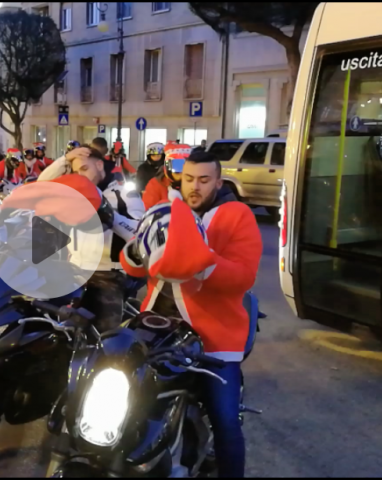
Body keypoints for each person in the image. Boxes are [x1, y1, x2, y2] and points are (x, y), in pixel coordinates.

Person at [120, 149, 262, 478]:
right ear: (178, 179)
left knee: (225, 421)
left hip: (214, 341)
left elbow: (243, 276)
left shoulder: (236, 215)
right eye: (188, 179)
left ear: (218, 181)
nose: (194, 187)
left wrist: (202, 262)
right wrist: (133, 250)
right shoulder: (167, 211)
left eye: (203, 180)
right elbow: (136, 267)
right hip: (156, 331)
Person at [49, 147, 144, 331]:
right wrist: (65, 159)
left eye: (84, 169)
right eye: (76, 172)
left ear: (100, 165)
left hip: (107, 273)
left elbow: (140, 233)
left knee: (105, 334)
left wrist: (110, 215)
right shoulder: (73, 192)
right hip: (73, 269)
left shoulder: (123, 194)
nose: (80, 176)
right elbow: (42, 183)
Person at [142, 141, 188, 210]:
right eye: (177, 166)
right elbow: (147, 211)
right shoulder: (155, 184)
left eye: (187, 167)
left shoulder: (196, 185)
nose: (182, 172)